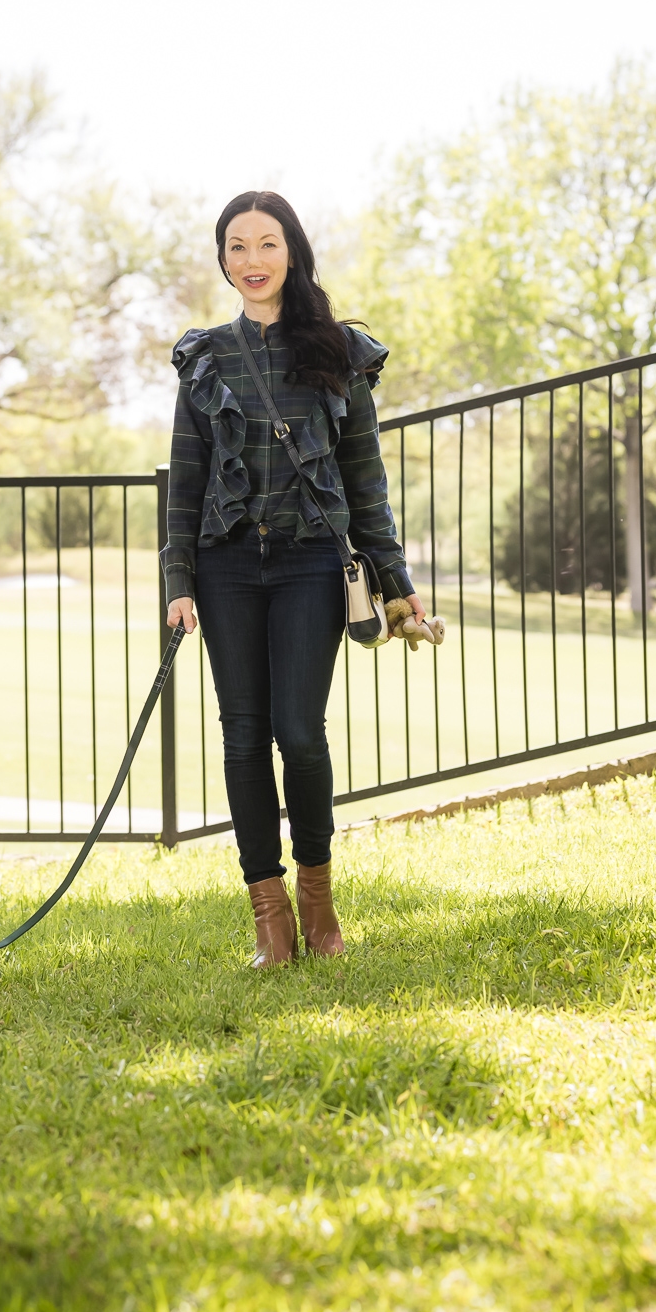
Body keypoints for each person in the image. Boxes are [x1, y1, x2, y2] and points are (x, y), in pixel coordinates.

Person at [162, 189, 427, 968]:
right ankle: (268, 918)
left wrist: (395, 578)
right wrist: (179, 579)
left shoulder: (338, 350)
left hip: (314, 559)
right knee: (242, 738)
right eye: (236, 246)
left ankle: (318, 899)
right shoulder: (203, 356)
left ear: (293, 252)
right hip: (226, 565)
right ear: (222, 259)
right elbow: (185, 479)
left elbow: (363, 478)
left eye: (266, 244)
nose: (251, 261)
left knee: (299, 735)